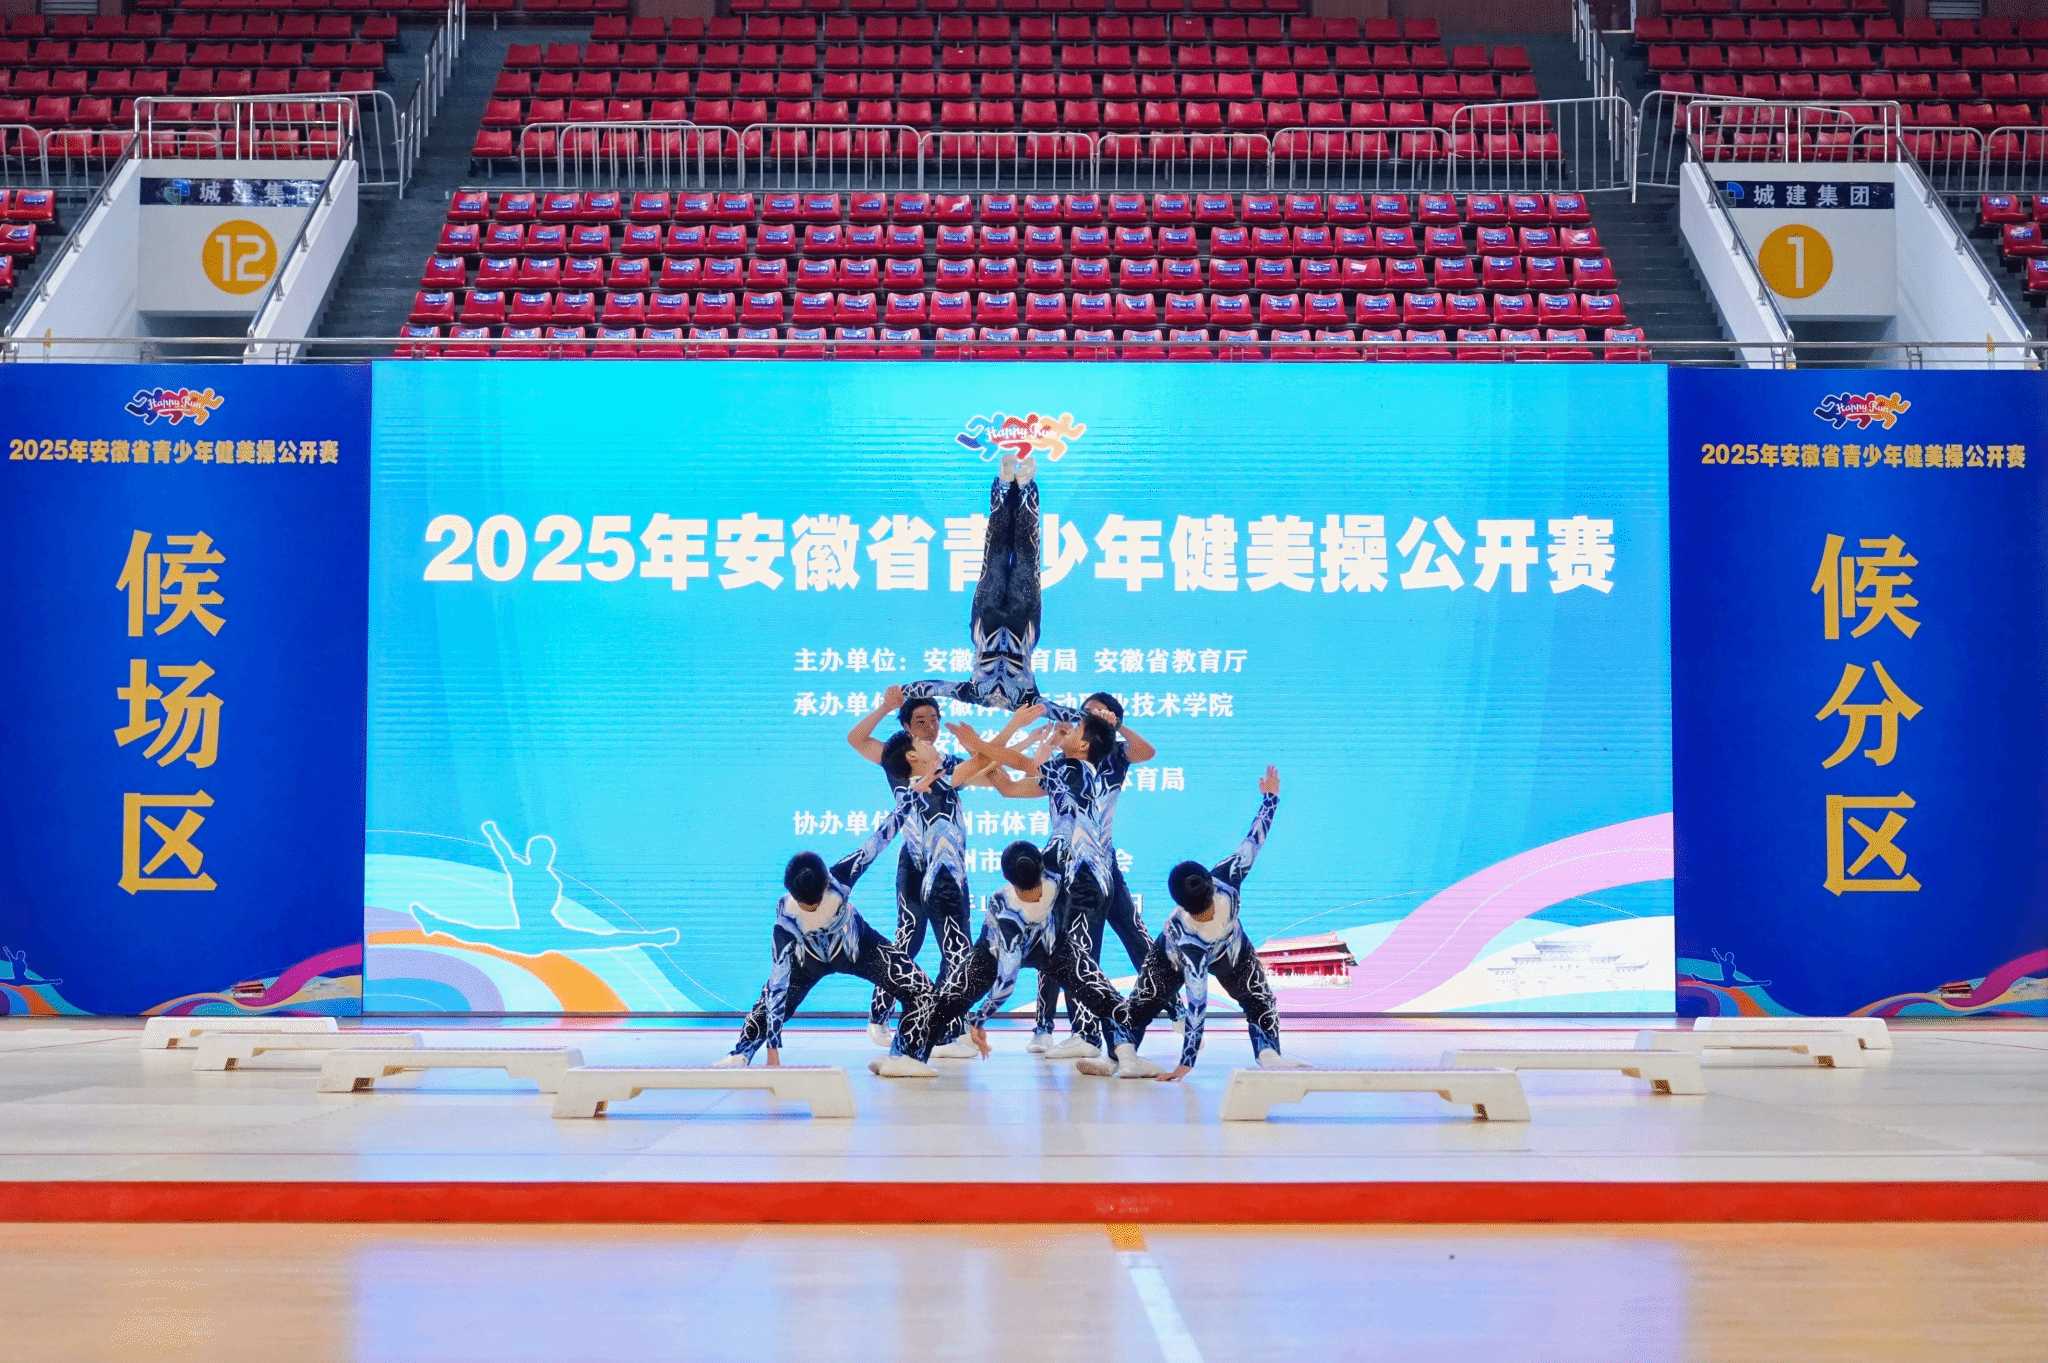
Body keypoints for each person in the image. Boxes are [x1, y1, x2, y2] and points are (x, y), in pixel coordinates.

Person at [846, 694, 1048, 1058]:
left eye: (935, 719)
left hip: (945, 866)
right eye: (920, 721)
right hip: (922, 866)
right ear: (906, 729)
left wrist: (1022, 744)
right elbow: (857, 739)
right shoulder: (901, 761)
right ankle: (908, 1024)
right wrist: (1013, 727)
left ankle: (941, 1030)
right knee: (923, 942)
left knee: (952, 948)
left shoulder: (943, 765)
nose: (930, 727)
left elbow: (984, 767)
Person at [1086, 766, 1312, 1081]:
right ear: (1208, 878)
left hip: (1214, 953)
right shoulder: (1222, 884)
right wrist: (1270, 798)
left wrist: (1186, 1063)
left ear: (1180, 903)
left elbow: (1197, 1004)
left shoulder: (1203, 909)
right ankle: (1121, 1058)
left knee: (1145, 1005)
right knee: (1149, 1002)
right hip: (1196, 955)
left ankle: (1124, 1057)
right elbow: (1254, 839)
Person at [717, 797, 943, 1079]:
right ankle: (904, 1055)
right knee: (923, 992)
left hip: (831, 956)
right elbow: (880, 838)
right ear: (824, 881)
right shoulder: (834, 884)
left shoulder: (790, 916)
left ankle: (740, 1054)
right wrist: (912, 796)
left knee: (766, 1006)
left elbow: (777, 988)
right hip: (846, 952)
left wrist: (773, 1052)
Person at [948, 710, 1124, 1059]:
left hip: (1085, 876)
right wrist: (978, 753)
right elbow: (1009, 788)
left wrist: (979, 743)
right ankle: (1099, 1040)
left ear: (1084, 745)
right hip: (1072, 875)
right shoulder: (1066, 774)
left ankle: (1091, 1036)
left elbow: (1025, 764)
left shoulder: (1074, 769)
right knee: (1070, 958)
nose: (1068, 728)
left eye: (1077, 728)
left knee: (1080, 959)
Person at [928, 840, 1162, 1078]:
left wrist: (980, 1019)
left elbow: (1006, 982)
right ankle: (1127, 1059)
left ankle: (912, 1053)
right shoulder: (1054, 878)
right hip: (1053, 950)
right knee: (1108, 999)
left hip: (997, 955)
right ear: (1041, 865)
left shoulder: (1001, 904)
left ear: (1005, 876)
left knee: (944, 1003)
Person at [1032, 691, 1172, 1051]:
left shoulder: (1116, 755)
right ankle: (1047, 1027)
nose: (1091, 715)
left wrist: (1118, 727)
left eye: (1101, 712)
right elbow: (1027, 779)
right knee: (1058, 941)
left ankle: (1174, 1009)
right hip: (1064, 862)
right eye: (1087, 712)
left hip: (1101, 862)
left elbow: (1147, 752)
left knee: (1133, 934)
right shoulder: (1066, 760)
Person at [899, 451, 1082, 723]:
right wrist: (1099, 720)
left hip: (991, 618)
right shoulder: (1025, 701)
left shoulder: (980, 695)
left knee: (1000, 552)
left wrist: (901, 692)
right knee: (1019, 554)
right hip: (1019, 619)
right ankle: (1022, 485)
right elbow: (1063, 714)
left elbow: (935, 688)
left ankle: (1009, 484)